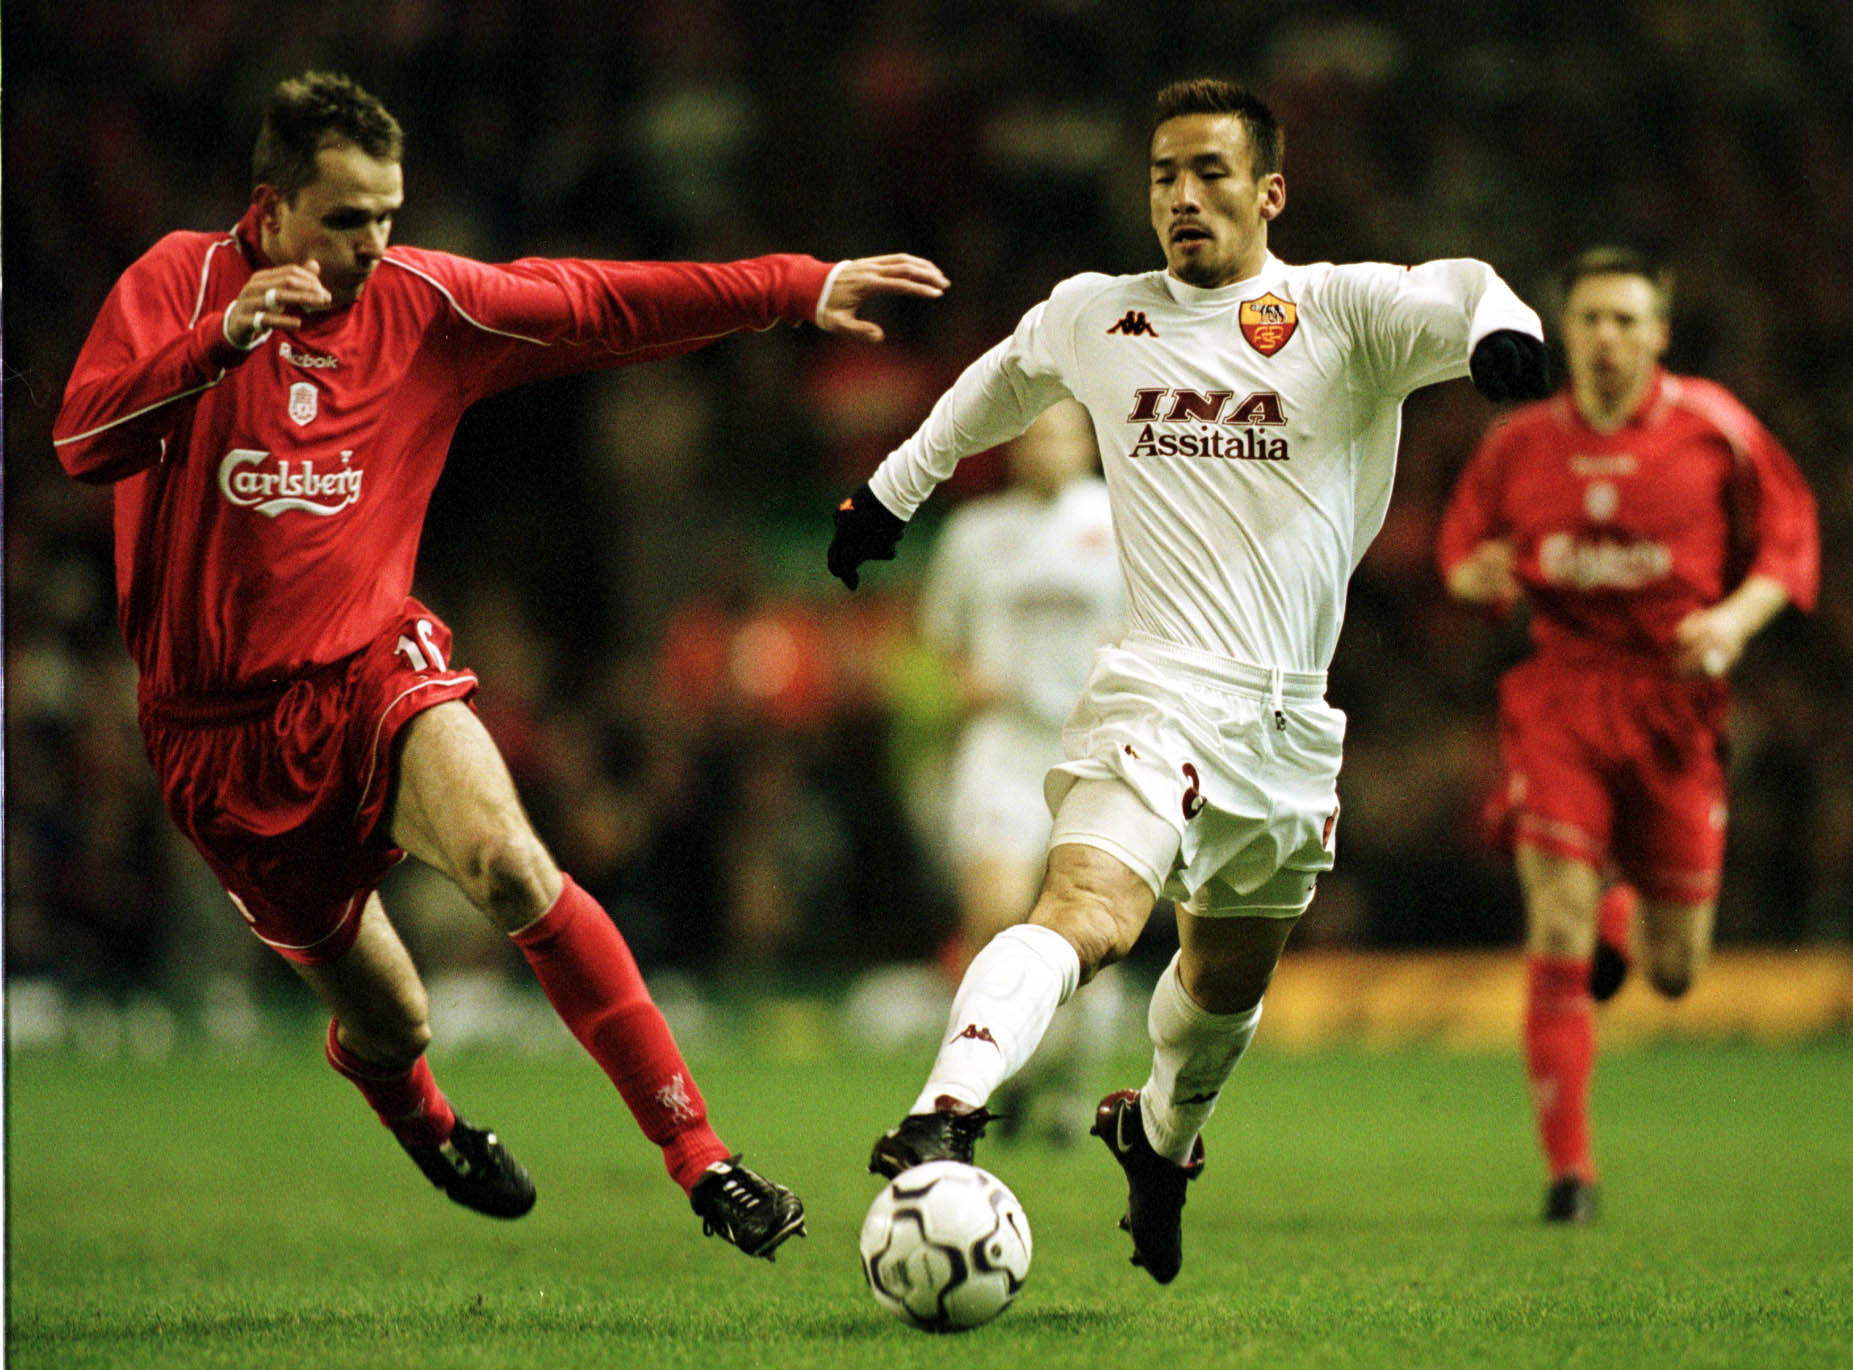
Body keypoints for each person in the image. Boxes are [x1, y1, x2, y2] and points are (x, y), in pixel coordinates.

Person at [53, 70, 948, 1260]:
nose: (373, 245)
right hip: (213, 737)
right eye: (344, 219)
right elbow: (79, 440)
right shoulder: (176, 283)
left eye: (388, 213)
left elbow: (595, 303)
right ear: (267, 213)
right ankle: (425, 1119)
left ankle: (703, 1158)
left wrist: (794, 286)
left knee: (508, 861)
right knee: (390, 1013)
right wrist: (212, 348)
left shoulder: (421, 302)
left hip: (370, 678)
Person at [826, 77, 1551, 1283]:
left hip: (1285, 722)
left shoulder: (1340, 315)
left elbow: (1465, 282)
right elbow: (1001, 379)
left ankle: (1156, 1142)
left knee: (1218, 987)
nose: (1181, 196)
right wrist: (890, 491)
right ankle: (947, 1106)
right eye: (1162, 174)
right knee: (1089, 915)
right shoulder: (1100, 317)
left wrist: (1499, 335)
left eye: (1209, 172)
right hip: (1155, 687)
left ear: (1267, 192)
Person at [1436, 246, 1818, 1224]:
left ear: (1657, 332)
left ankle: (1618, 923)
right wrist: (1471, 575)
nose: (1604, 337)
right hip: (1559, 697)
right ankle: (1569, 1174)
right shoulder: (1517, 443)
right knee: (1552, 923)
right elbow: (1461, 547)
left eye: (1623, 320)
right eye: (1589, 319)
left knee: (1673, 968)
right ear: (1564, 332)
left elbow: (1788, 535)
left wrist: (1732, 619)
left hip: (1674, 708)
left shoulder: (1713, 430)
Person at [915, 399, 1127, 1142]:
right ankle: (1007, 1075)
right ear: (1013, 448)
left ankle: (1070, 1088)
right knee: (995, 919)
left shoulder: (1121, 518)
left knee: (1083, 926)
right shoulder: (978, 534)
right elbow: (941, 633)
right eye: (1032, 435)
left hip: (1093, 748)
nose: (1046, 448)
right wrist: (965, 675)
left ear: (1087, 446)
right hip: (1003, 746)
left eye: (1062, 434)